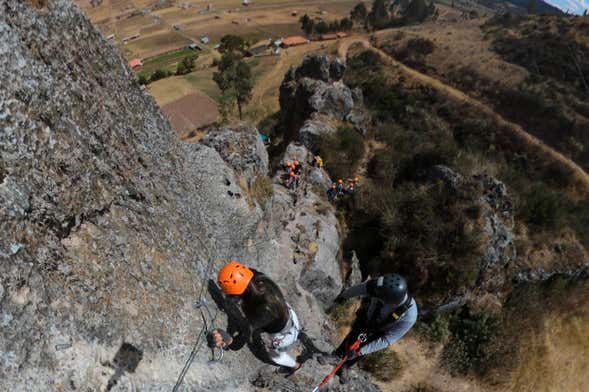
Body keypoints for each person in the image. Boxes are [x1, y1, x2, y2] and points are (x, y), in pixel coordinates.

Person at [320, 274, 417, 382]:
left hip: (381, 329)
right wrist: (344, 296)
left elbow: (387, 339)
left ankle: (346, 366)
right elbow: (359, 289)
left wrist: (360, 351)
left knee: (363, 346)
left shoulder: (409, 316)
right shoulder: (379, 286)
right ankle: (337, 356)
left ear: (391, 301)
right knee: (354, 335)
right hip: (368, 317)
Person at [208, 261, 302, 371]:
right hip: (286, 311)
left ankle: (295, 365)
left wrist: (228, 339)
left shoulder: (263, 311)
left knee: (276, 357)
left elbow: (240, 341)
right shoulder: (254, 276)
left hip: (284, 335)